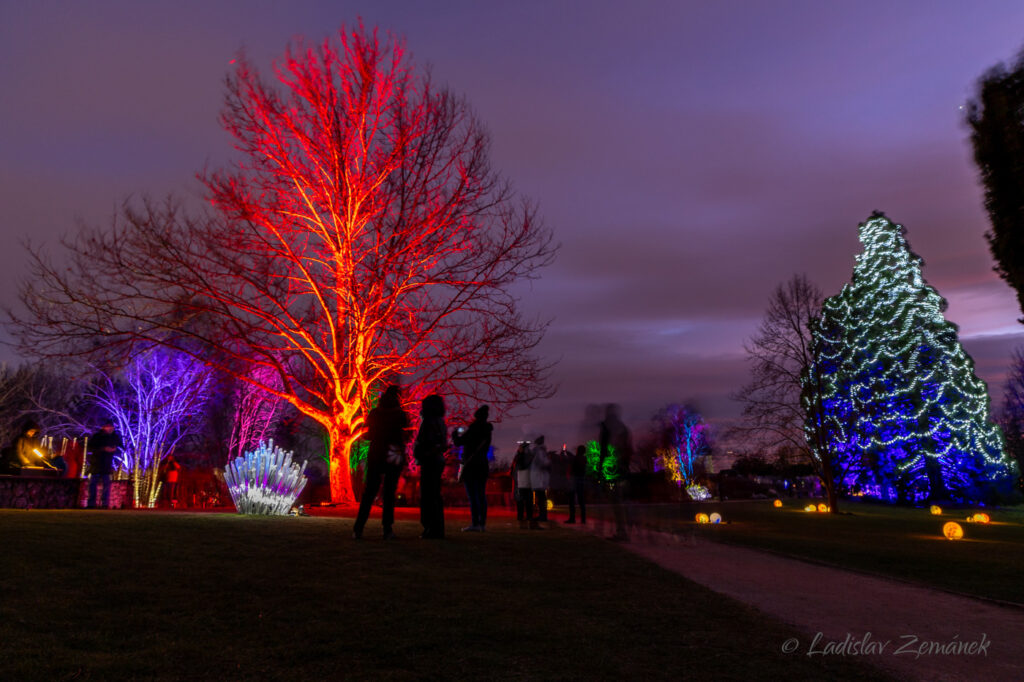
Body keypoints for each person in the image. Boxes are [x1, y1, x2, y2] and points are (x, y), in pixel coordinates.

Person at [353, 385, 410, 540]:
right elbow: (407, 432)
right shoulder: (400, 414)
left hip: (376, 452)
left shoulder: (375, 413)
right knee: (389, 492)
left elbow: (368, 434)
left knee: (369, 491)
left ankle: (359, 528)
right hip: (394, 453)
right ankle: (387, 529)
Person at [453, 405, 492, 532]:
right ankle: (482, 523)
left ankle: (475, 523)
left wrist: (455, 434)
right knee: (481, 495)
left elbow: (459, 442)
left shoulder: (474, 428)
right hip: (482, 465)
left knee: (472, 496)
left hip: (471, 466)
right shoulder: (487, 431)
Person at [413, 394, 448, 539]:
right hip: (437, 460)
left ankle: (430, 527)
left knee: (428, 495)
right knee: (435, 494)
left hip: (429, 459)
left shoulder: (428, 421)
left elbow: (422, 441)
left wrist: (420, 453)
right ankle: (437, 527)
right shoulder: (441, 422)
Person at [599, 403, 633, 541]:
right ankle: (624, 528)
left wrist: (602, 467)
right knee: (620, 500)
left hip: (613, 467)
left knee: (616, 500)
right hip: (622, 467)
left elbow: (604, 449)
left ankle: (622, 531)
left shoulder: (608, 428)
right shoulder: (623, 428)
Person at [88, 420, 122, 509]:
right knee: (93, 484)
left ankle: (104, 504)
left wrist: (114, 450)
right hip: (96, 464)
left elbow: (121, 448)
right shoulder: (97, 437)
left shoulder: (115, 437)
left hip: (107, 464)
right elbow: (91, 448)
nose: (110, 428)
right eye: (108, 426)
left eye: (111, 426)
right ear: (104, 427)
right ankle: (91, 504)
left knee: (106, 485)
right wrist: (103, 449)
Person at [512, 441, 534, 528]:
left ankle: (521, 516)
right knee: (527, 499)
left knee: (521, 500)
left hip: (522, 479)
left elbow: (519, 467)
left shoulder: (521, 457)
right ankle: (528, 516)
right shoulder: (529, 457)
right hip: (526, 480)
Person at [529, 436, 551, 525]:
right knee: (541, 498)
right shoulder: (541, 452)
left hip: (539, 478)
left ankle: (543, 516)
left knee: (541, 498)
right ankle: (542, 515)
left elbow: (541, 463)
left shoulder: (538, 452)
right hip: (540, 478)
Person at [566, 444, 587, 524]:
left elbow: (572, 463)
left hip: (574, 480)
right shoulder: (584, 459)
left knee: (571, 500)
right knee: (581, 500)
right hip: (581, 480)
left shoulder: (576, 458)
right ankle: (583, 519)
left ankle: (572, 518)